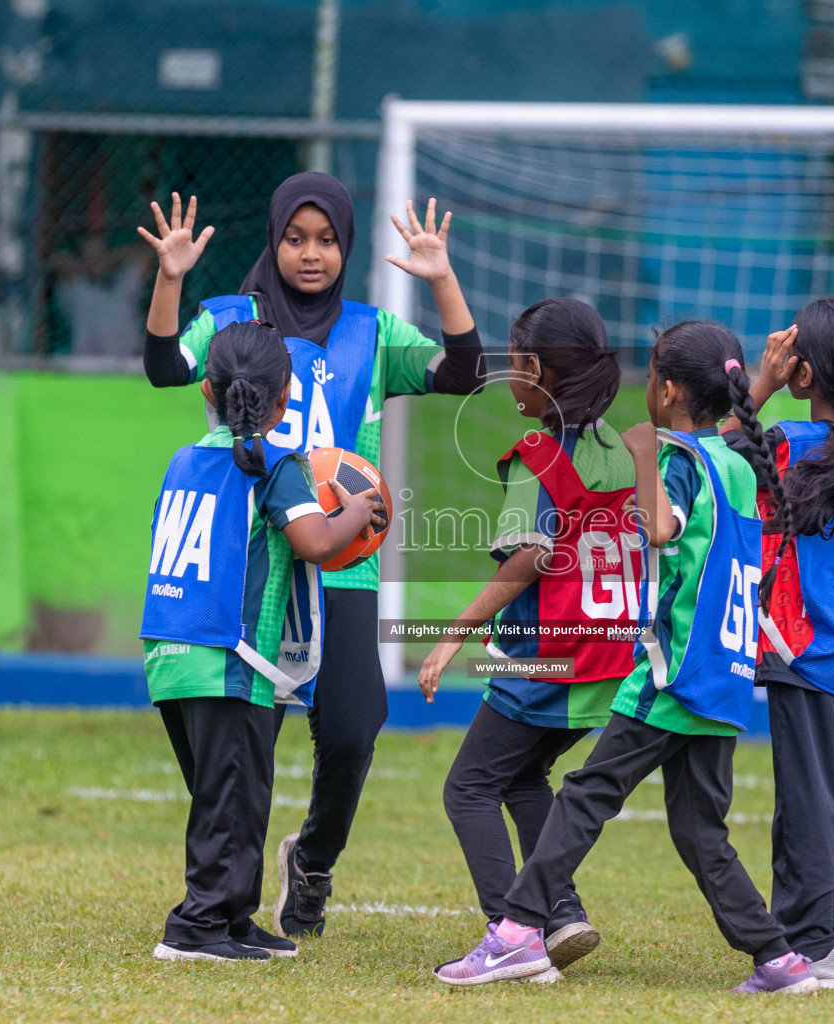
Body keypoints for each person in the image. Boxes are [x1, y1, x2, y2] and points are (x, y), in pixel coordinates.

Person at [138, 178, 485, 938]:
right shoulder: (230, 319)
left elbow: (464, 374)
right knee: (245, 738)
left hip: (341, 562)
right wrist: (171, 276)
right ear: (272, 239)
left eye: (326, 239)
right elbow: (165, 365)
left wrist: (443, 278)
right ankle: (226, 902)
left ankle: (314, 862)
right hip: (256, 560)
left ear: (346, 246)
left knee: (356, 724)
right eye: (295, 238)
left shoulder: (376, 330)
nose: (310, 254)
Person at [430, 321, 816, 995]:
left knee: (584, 794)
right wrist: (755, 390)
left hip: (671, 678)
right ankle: (777, 958)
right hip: (723, 677)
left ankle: (519, 931)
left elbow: (662, 526)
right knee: (701, 832)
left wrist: (643, 455)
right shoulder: (733, 459)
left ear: (664, 390)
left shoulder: (673, 461)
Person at [139, 321, 386, 962]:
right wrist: (359, 510)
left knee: (236, 794)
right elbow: (317, 543)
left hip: (172, 651)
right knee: (231, 798)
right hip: (231, 656)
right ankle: (195, 927)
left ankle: (233, 918)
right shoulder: (277, 466)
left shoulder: (185, 456)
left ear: (206, 392)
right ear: (285, 400)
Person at [416, 297, 636, 977]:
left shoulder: (538, 454)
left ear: (535, 369)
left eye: (513, 363)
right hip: (610, 658)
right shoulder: (623, 451)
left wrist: (451, 636)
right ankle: (560, 912)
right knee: (522, 775)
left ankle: (511, 932)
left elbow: (528, 557)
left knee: (469, 787)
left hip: (549, 660)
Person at [720, 298, 834, 989]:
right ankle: (825, 932)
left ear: (804, 369)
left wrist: (756, 385)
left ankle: (818, 949)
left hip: (802, 644)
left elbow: (715, 453)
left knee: (807, 801)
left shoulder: (794, 441)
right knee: (831, 797)